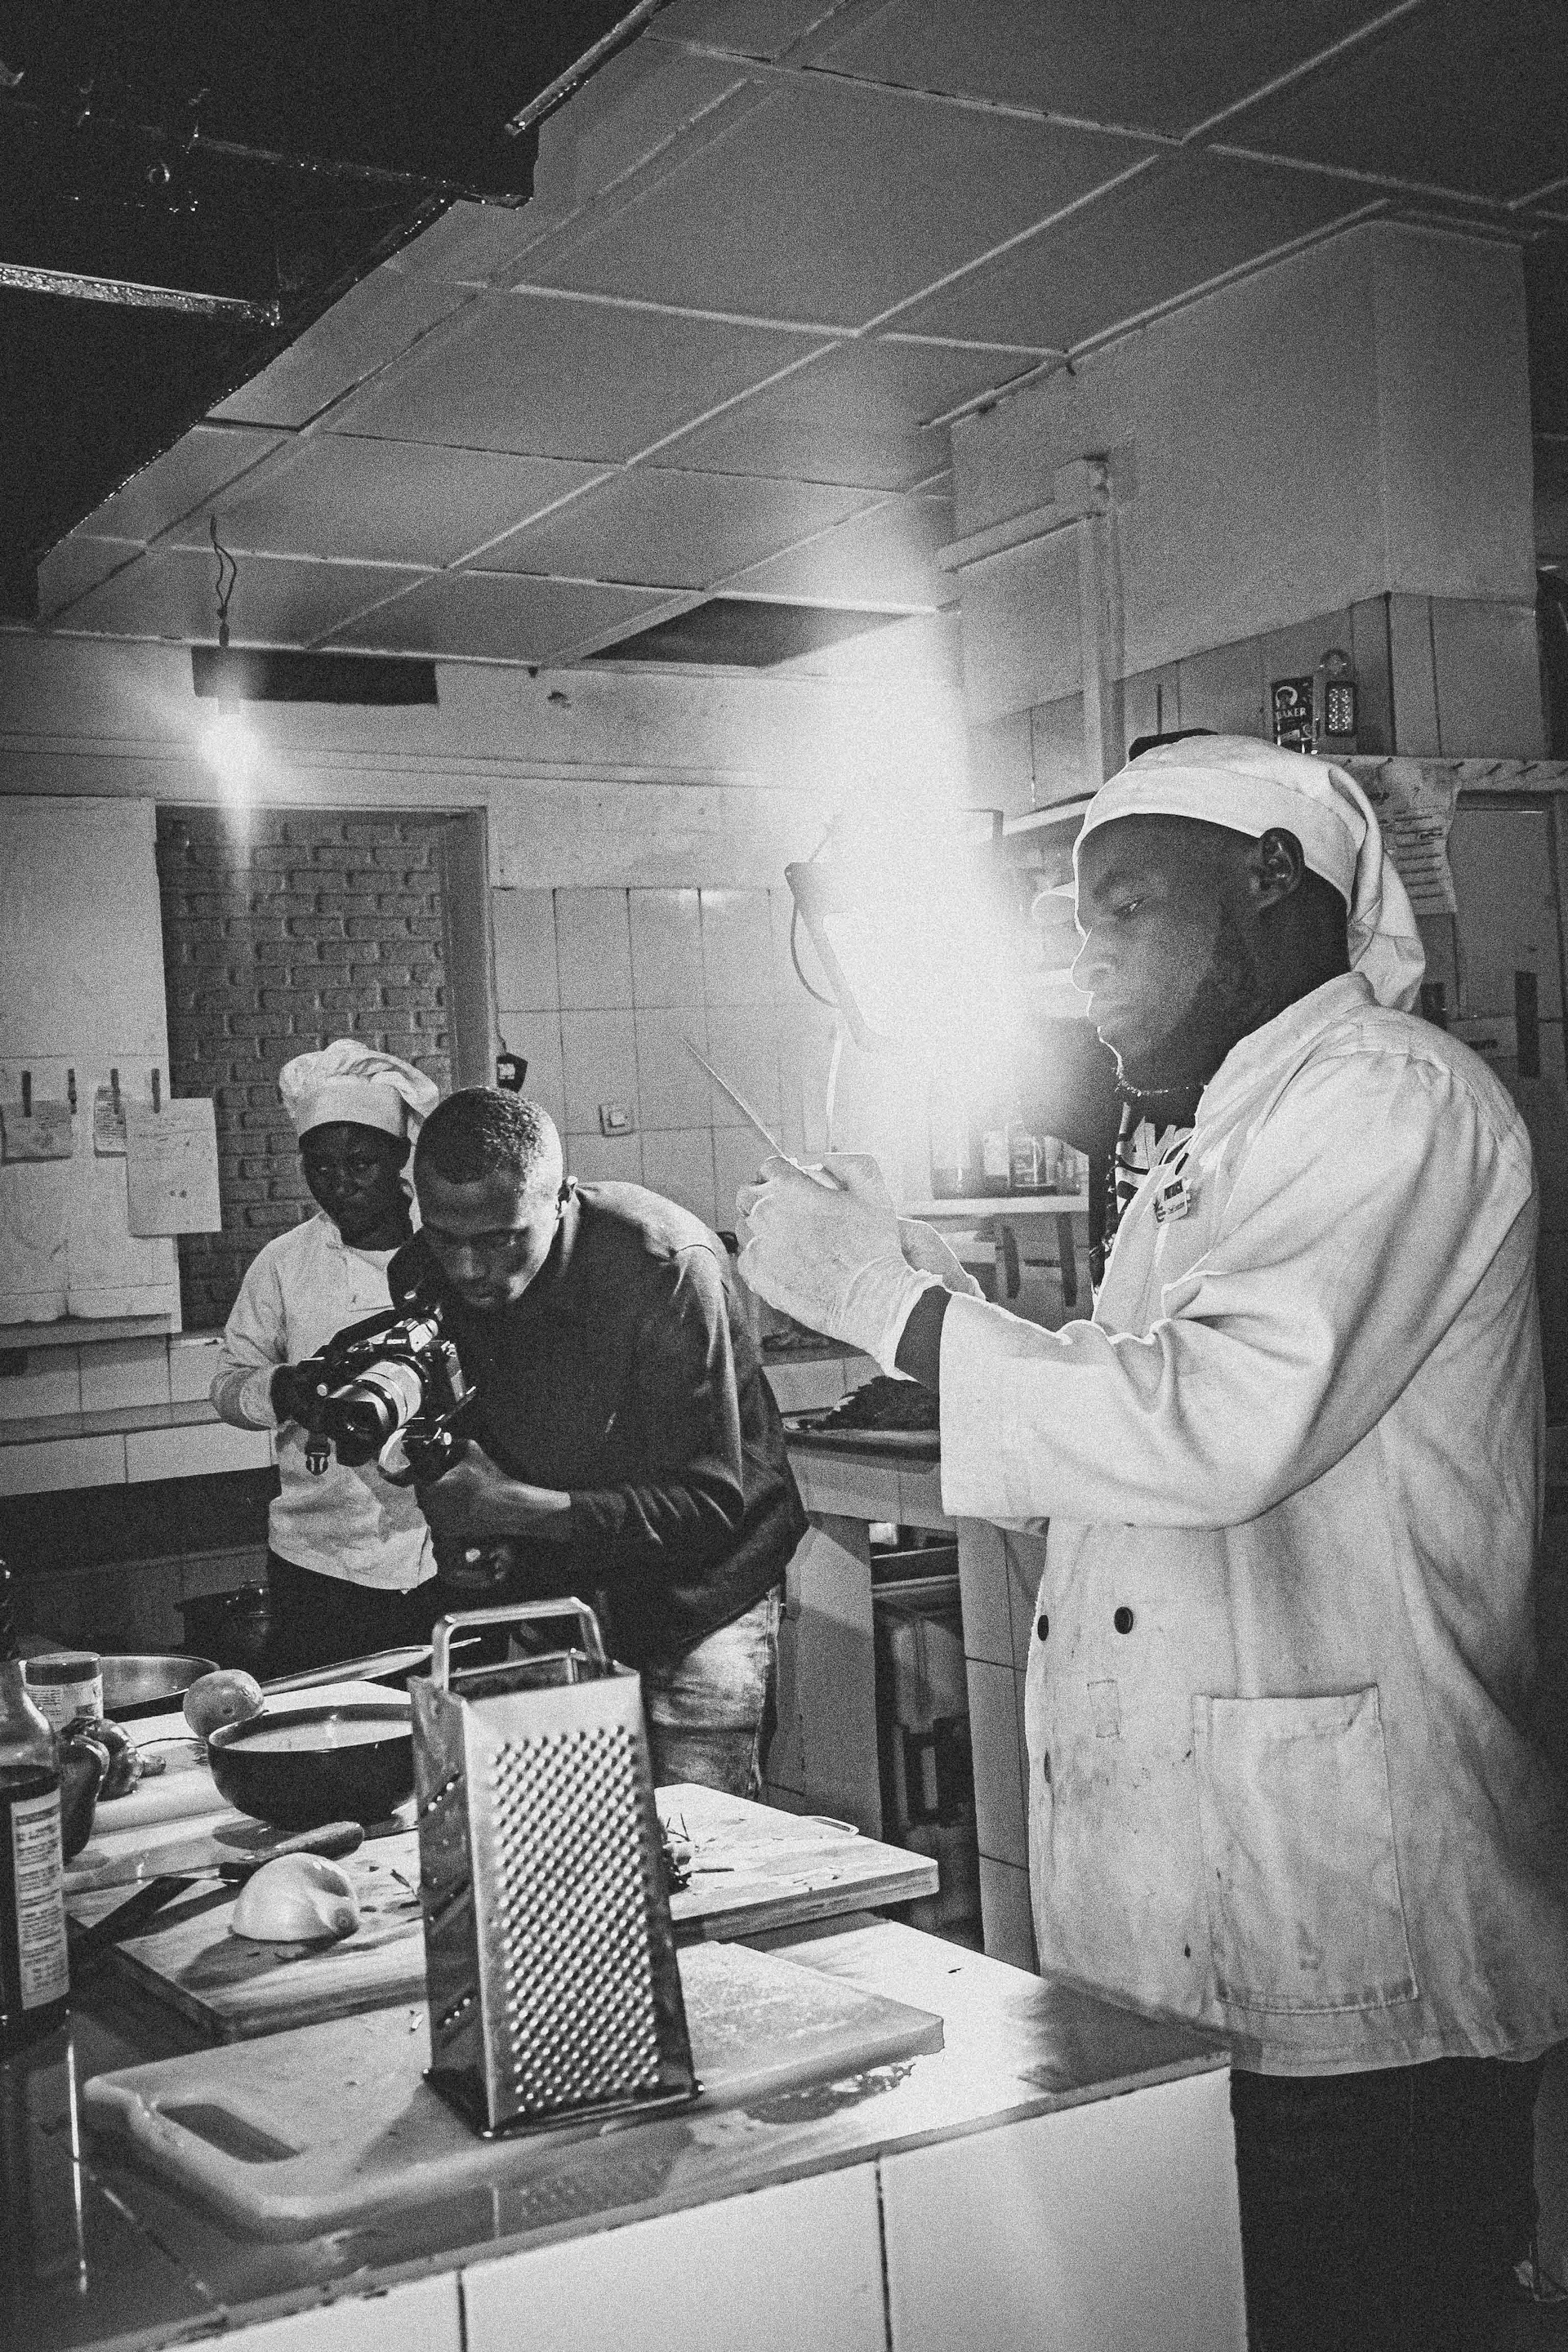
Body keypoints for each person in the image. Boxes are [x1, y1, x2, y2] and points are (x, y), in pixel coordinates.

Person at [737, 734, 1568, 2350]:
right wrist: (929, 1284)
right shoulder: (1211, 1152)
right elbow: (1118, 1453)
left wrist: (890, 1306)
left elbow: (1213, 1428)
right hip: (1211, 1931)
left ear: (1273, 885)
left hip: (1356, 1943)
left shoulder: (1392, 1100)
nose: (1088, 958)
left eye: (1121, 908)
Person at [386, 1088, 806, 1798]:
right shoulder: (425, 1277)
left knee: (698, 1844)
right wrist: (471, 1535)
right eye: (445, 1236)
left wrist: (509, 1507)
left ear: (559, 1201)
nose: (466, 1269)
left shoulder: (666, 1270)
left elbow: (708, 1505)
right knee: (567, 1844)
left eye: (498, 1240)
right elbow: (466, 1445)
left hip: (699, 1602)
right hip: (567, 1599)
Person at [212, 1040, 440, 1674]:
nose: (339, 1182)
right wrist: (285, 1389)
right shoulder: (285, 1263)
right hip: (319, 1559)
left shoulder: (452, 1252)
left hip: (444, 1551)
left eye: (361, 1162)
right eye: (320, 1164)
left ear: (399, 1157)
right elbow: (229, 1382)